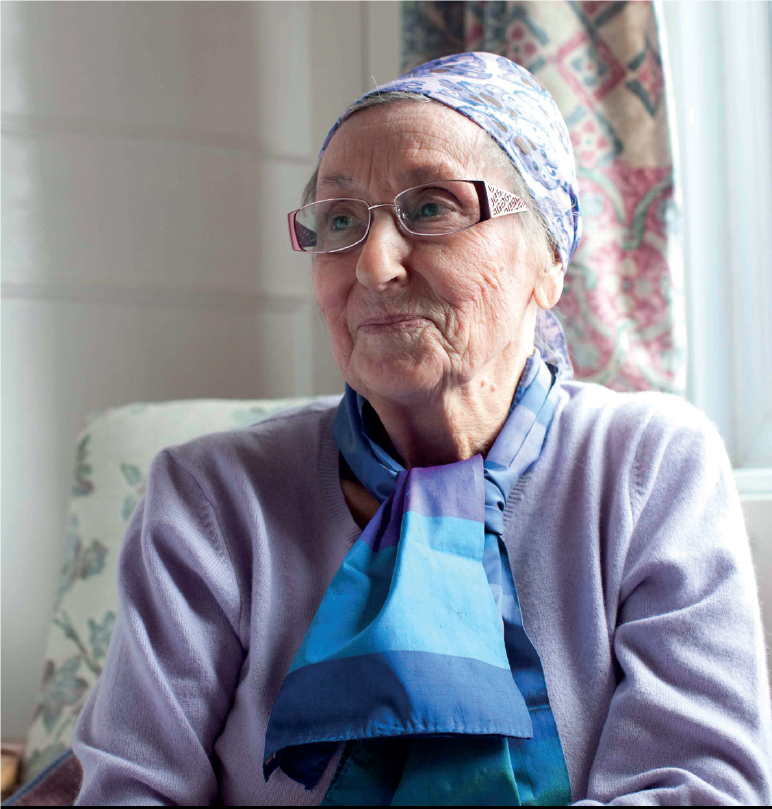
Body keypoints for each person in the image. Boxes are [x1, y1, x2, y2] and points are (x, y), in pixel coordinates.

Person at [72, 52, 772, 805]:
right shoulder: (209, 496)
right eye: (340, 220)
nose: (372, 264)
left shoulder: (650, 466)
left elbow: (700, 788)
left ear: (550, 260)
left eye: (433, 207)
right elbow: (131, 790)